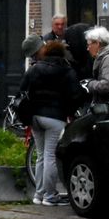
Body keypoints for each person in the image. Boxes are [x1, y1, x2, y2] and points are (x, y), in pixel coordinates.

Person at [20, 40, 85, 206]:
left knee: (41, 156)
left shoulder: (34, 69)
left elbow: (22, 90)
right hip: (55, 117)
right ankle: (50, 196)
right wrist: (69, 111)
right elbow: (76, 95)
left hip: (35, 116)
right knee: (50, 156)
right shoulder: (67, 70)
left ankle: (38, 195)